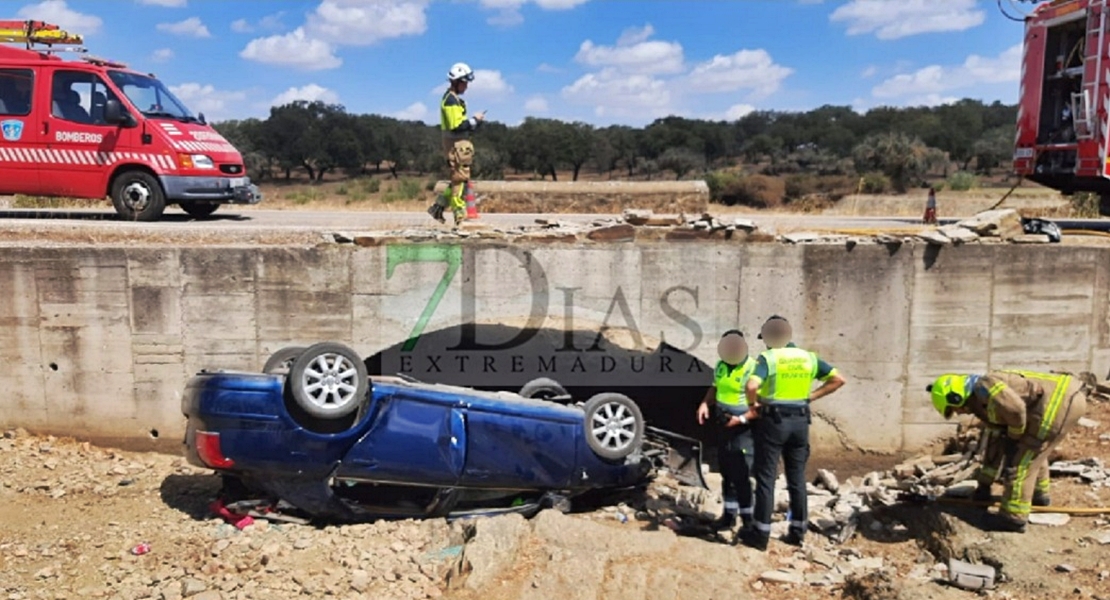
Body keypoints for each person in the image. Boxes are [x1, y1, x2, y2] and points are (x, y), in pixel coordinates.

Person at [926, 370, 1087, 532]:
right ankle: (1039, 496)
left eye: (955, 408)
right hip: (1063, 400)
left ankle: (1013, 519)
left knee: (1021, 462)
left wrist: (1015, 434)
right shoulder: (980, 402)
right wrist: (984, 485)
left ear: (957, 396)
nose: (961, 413)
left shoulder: (986, 386)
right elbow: (994, 442)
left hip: (1060, 402)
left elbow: (1016, 410)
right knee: (1033, 452)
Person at [738, 316, 845, 551]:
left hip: (773, 422)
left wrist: (753, 406)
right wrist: (810, 398)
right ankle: (797, 531)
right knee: (797, 478)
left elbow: (752, 386)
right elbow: (838, 379)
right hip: (800, 421)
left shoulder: (769, 358)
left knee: (766, 478)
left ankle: (760, 535)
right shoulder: (808, 358)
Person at [695, 330, 757, 534]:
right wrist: (705, 403)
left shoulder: (753, 368)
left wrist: (740, 419)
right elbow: (715, 388)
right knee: (727, 471)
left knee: (741, 474)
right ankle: (729, 516)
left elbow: (760, 406)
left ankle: (748, 520)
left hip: (742, 426)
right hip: (723, 422)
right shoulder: (721, 365)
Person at [428, 62, 485, 227]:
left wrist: (474, 124)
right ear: (457, 81)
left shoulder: (454, 99)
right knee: (460, 180)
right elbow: (456, 125)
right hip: (456, 145)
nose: (466, 86)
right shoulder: (451, 100)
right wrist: (475, 120)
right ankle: (459, 214)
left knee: (458, 179)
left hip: (458, 144)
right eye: (465, 82)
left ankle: (438, 208)